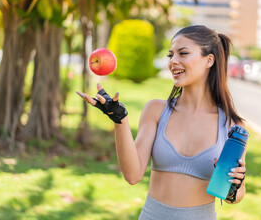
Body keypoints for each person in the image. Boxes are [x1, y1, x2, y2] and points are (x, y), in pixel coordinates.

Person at [76, 25, 247, 219]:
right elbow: (133, 175)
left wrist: (236, 184)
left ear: (209, 60)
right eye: (170, 55)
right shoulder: (156, 111)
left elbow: (235, 196)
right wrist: (119, 119)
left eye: (183, 53)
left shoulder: (233, 126)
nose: (173, 61)